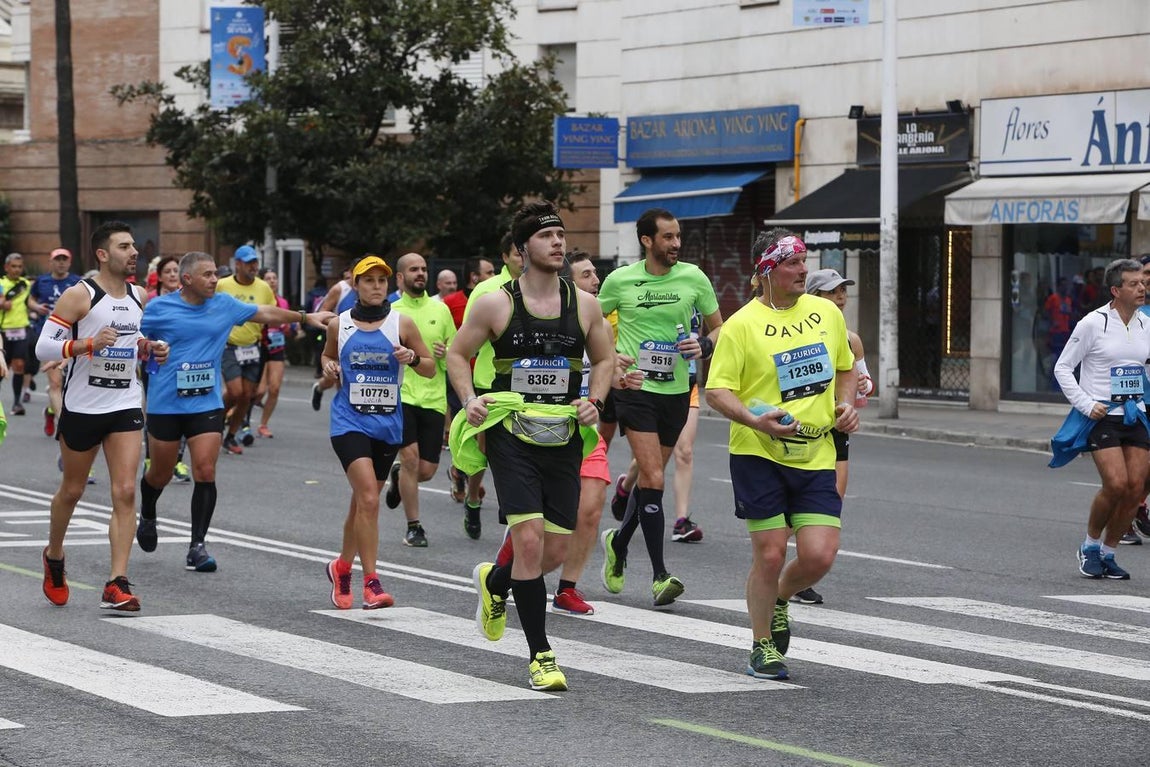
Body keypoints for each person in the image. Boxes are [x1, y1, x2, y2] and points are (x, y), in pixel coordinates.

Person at [449, 201, 613, 692]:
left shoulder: (585, 305)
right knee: (528, 541)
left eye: (561, 234)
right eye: (546, 236)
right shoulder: (495, 304)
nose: (557, 242)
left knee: (555, 550)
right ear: (522, 248)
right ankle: (541, 656)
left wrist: (595, 401)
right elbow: (458, 354)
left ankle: (495, 582)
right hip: (511, 432)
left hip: (562, 433)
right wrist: (469, 400)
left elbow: (604, 359)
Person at [705, 230, 859, 680]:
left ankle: (780, 599)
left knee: (819, 556)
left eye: (803, 261)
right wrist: (755, 421)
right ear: (767, 269)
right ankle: (762, 645)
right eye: (793, 262)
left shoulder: (825, 314)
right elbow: (717, 391)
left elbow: (846, 368)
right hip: (758, 453)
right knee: (770, 554)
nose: (803, 270)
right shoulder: (741, 325)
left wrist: (846, 404)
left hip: (816, 450)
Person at [136, 251, 332, 572]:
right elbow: (133, 335)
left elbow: (264, 313)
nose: (215, 279)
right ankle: (148, 512)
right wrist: (148, 346)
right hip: (166, 404)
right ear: (187, 279)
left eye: (216, 273)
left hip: (206, 402)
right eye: (207, 274)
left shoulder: (224, 305)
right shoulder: (159, 308)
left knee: (205, 470)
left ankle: (197, 546)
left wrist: (305, 317)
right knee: (161, 473)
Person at [35, 221, 168, 611]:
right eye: (124, 246)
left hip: (124, 403)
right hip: (83, 407)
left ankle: (116, 582)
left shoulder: (139, 295)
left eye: (133, 246)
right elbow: (44, 347)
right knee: (72, 491)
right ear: (103, 254)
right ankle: (54, 556)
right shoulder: (81, 294)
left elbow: (132, 341)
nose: (134, 252)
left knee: (125, 491)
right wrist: (87, 344)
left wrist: (150, 347)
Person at [597, 207, 723, 606]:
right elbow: (589, 323)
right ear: (647, 240)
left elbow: (721, 327)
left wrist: (704, 344)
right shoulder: (620, 280)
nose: (676, 244)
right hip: (635, 389)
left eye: (678, 236)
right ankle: (659, 576)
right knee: (653, 475)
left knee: (651, 480)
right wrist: (610, 358)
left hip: (677, 390)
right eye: (668, 237)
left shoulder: (694, 278)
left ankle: (618, 543)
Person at [322, 255, 434, 608]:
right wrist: (329, 367)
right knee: (370, 498)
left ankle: (341, 567)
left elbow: (430, 367)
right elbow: (327, 357)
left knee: (361, 503)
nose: (376, 286)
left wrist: (412, 358)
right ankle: (371, 583)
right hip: (349, 421)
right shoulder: (339, 325)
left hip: (387, 423)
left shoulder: (402, 323)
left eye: (381, 280)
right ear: (355, 285)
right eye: (368, 280)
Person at [1052, 258, 1150, 581]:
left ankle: (1109, 553)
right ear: (1115, 290)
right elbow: (1063, 368)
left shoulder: (1146, 324)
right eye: (1134, 283)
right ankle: (1090, 546)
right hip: (1102, 415)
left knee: (1136, 489)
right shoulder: (1093, 323)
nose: (1142, 288)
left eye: (1143, 282)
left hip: (1135, 414)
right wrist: (1086, 403)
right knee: (1117, 484)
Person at [799, 268, 875, 603]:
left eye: (843, 290)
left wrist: (863, 385)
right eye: (832, 292)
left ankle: (802, 576)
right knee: (795, 510)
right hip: (804, 428)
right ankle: (782, 572)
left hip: (837, 428)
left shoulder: (851, 339)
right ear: (814, 296)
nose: (840, 297)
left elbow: (865, 386)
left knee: (830, 505)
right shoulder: (801, 334)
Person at [383, 253, 456, 547]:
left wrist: (444, 354)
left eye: (424, 269)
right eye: (414, 269)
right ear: (400, 277)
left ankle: (399, 475)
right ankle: (414, 527)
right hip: (401, 396)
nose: (421, 273)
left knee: (425, 470)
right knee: (411, 458)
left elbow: (456, 353)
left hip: (433, 397)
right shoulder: (391, 312)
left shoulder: (441, 309)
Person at [455, 234, 523, 538]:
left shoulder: (546, 289)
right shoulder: (487, 290)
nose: (523, 258)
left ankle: (513, 507)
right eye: (517, 253)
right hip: (490, 381)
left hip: (529, 386)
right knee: (486, 451)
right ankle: (473, 497)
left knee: (519, 451)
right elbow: (468, 339)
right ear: (505, 257)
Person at [443, 257, 496, 502]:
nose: (494, 276)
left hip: (486, 375)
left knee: (481, 436)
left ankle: (465, 473)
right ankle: (461, 471)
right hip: (461, 375)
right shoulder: (451, 302)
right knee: (467, 430)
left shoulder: (497, 300)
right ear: (474, 277)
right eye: (489, 272)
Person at [216, 245, 276, 454]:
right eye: (249, 263)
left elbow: (271, 312)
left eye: (255, 262)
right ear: (238, 264)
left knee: (246, 396)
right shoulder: (223, 285)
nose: (254, 266)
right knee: (235, 391)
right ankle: (214, 422)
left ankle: (231, 436)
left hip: (252, 347)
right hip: (229, 346)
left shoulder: (263, 287)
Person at [141, 256, 191, 483]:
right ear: (159, 276)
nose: (172, 274)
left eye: (175, 271)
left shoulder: (188, 299)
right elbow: (137, 331)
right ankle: (150, 457)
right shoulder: (151, 300)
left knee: (185, 410)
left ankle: (178, 460)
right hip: (155, 364)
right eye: (168, 271)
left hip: (183, 365)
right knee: (154, 410)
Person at [30, 248, 82, 437]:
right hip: (48, 337)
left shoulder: (78, 282)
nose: (61, 263)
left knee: (72, 383)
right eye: (57, 259)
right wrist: (36, 307)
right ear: (51, 262)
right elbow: (30, 299)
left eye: (64, 259)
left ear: (69, 262)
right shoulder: (41, 281)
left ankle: (51, 411)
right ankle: (64, 425)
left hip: (72, 337)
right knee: (55, 383)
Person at [252, 267, 299, 439]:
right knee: (258, 391)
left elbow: (286, 326)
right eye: (268, 278)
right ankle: (237, 413)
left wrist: (291, 327)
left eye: (274, 278)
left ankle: (263, 424)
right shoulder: (259, 300)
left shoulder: (283, 302)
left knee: (275, 388)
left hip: (277, 348)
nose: (272, 281)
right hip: (260, 347)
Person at [1, 252, 47, 416]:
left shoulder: (25, 284)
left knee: (19, 366)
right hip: (3, 332)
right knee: (1, 368)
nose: (17, 270)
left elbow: (28, 302)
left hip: (21, 330)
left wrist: (38, 308)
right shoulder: (1, 283)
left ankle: (17, 403)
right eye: (13, 266)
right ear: (6, 267)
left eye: (19, 267)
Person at [311, 265, 360, 411]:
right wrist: (340, 324)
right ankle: (319, 388)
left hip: (361, 341)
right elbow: (322, 313)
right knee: (334, 378)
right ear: (350, 272)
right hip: (340, 339)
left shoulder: (370, 291)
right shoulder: (340, 289)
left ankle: (349, 411)